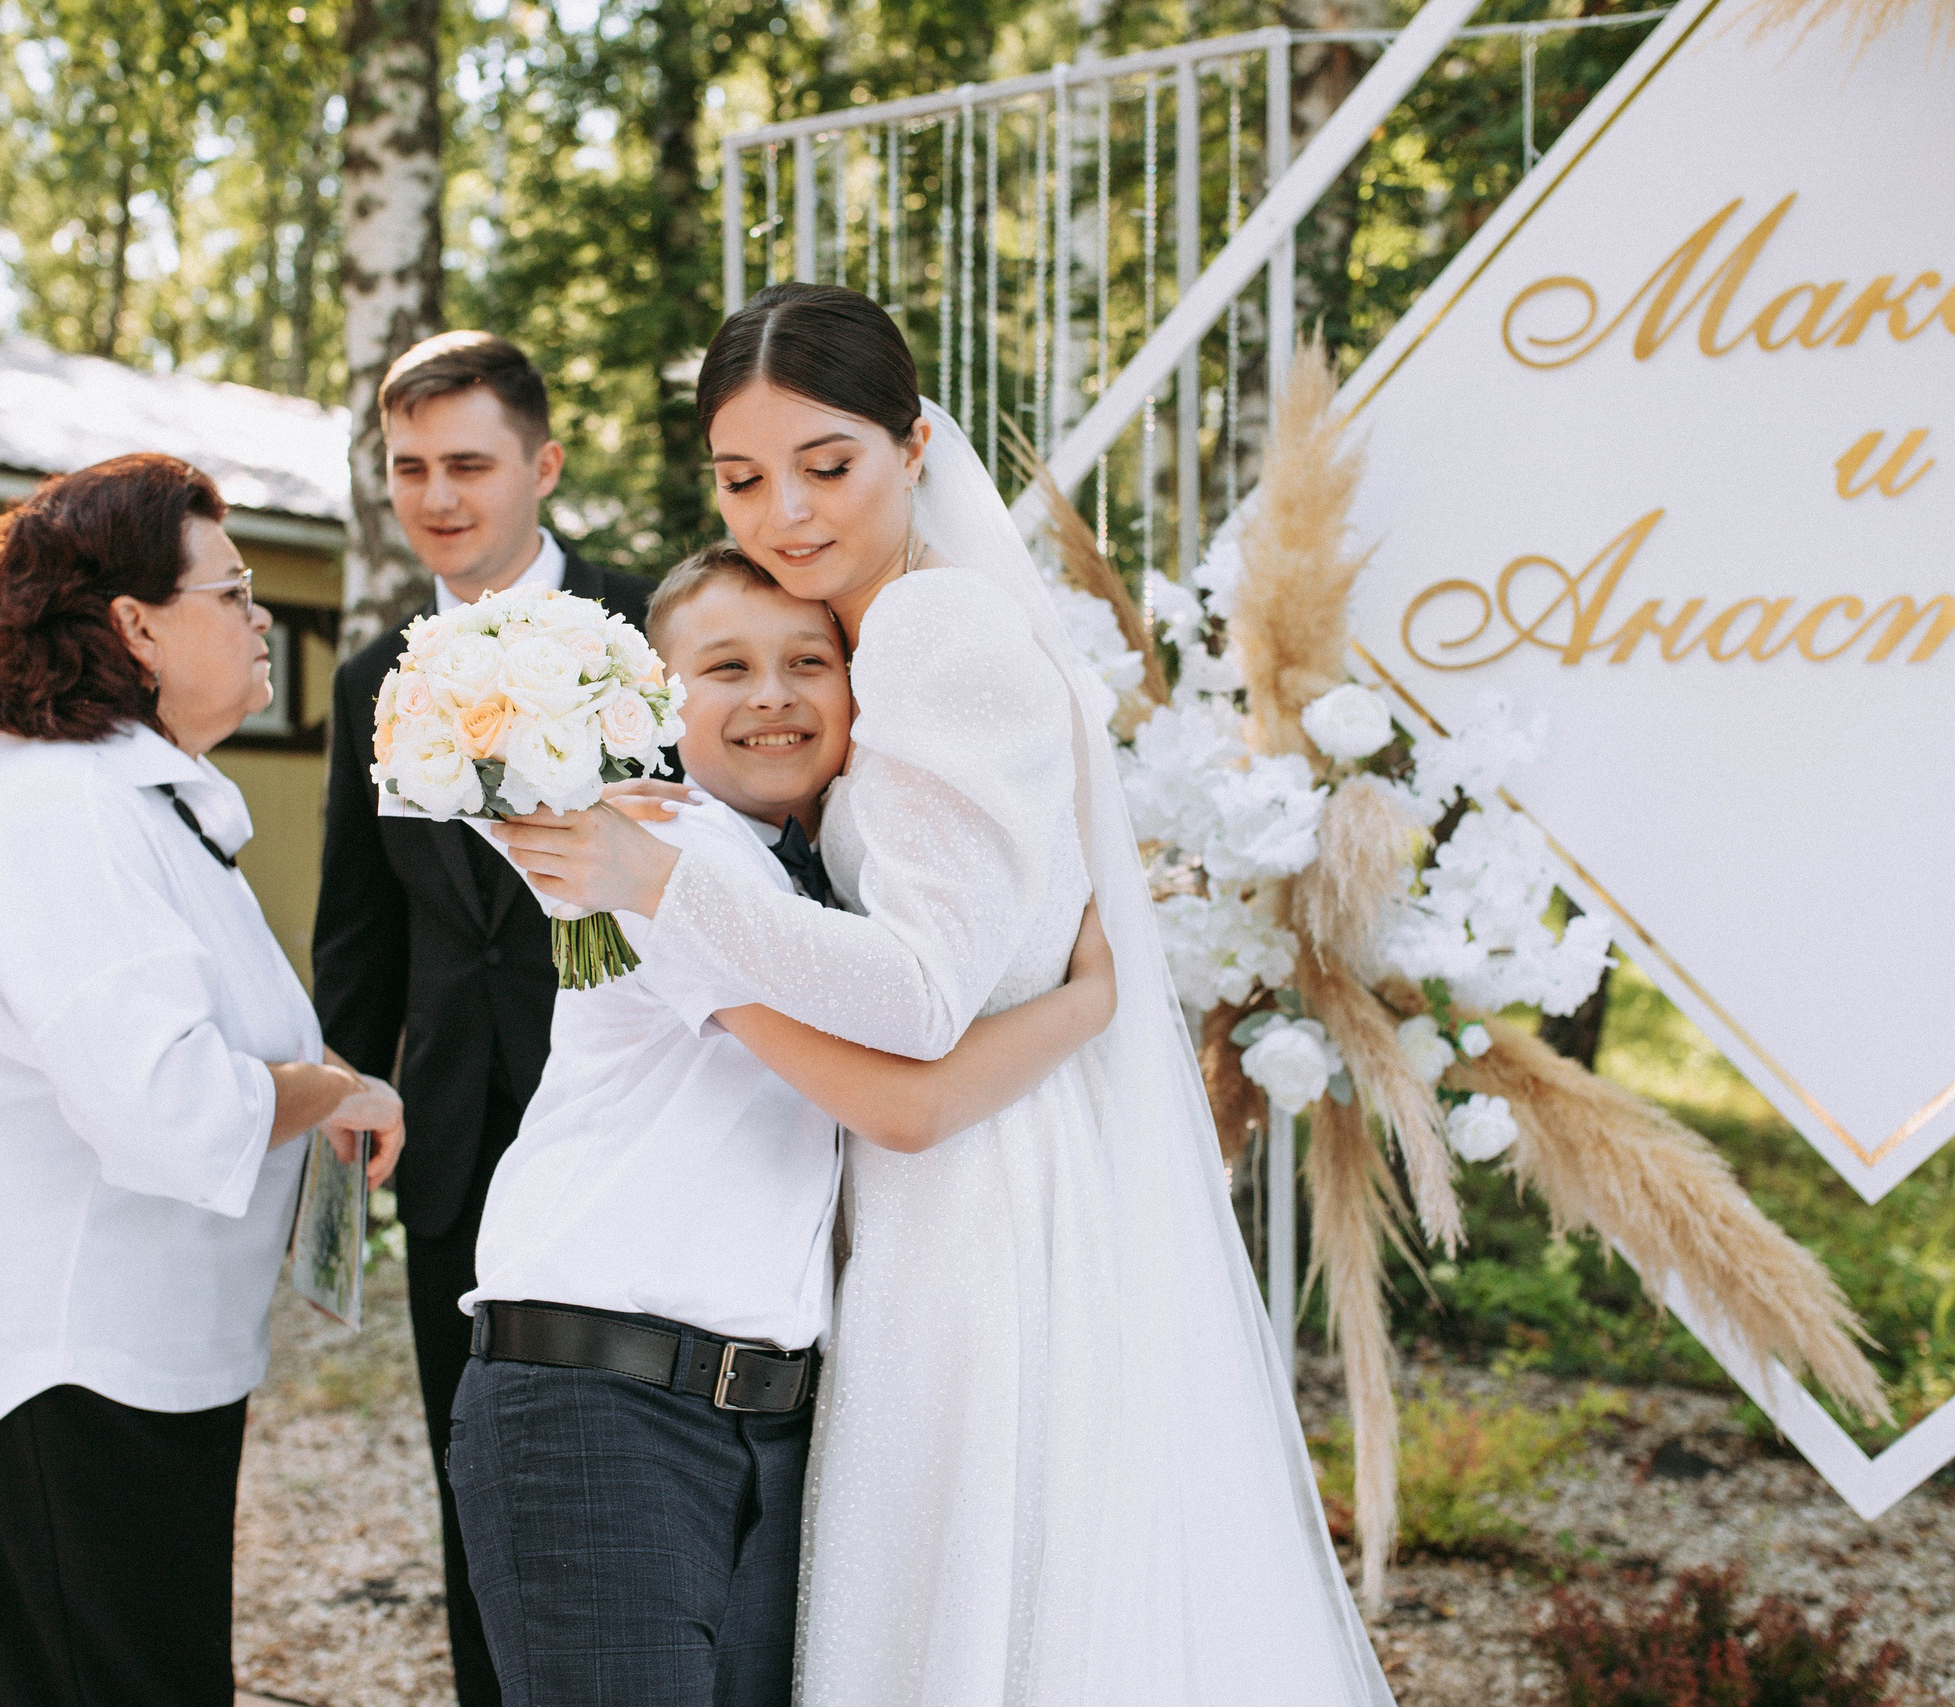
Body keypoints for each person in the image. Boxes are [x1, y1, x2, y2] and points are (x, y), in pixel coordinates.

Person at [496, 285, 1395, 1705]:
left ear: (915, 446)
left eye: (827, 463)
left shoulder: (929, 631)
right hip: (953, 1171)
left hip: (971, 1208)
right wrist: (1081, 1005)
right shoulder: (866, 644)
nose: (785, 510)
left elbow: (918, 993)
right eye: (742, 477)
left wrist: (654, 878)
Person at [448, 544, 1122, 1707]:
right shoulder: (662, 862)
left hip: (753, 1421)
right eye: (725, 667)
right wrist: (1089, 1004)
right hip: (598, 1402)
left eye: (807, 660)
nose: (771, 693)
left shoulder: (803, 885)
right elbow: (901, 1106)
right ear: (657, 701)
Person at [0, 453, 404, 1707]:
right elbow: (170, 1107)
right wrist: (327, 1093)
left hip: (123, 1355)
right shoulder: (69, 813)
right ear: (135, 625)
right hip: (58, 1360)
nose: (261, 614)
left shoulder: (142, 800)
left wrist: (319, 1077)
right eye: (233, 591)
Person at [313, 331, 655, 1707]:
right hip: (453, 1130)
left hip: (638, 1116)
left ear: (543, 464)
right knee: (480, 1461)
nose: (439, 495)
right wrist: (347, 1085)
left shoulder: (656, 631)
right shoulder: (369, 681)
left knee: (641, 1449)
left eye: (469, 463)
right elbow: (363, 921)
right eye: (410, 468)